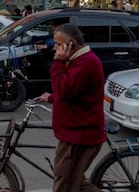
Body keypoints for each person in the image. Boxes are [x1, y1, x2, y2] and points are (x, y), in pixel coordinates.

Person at [37, 24, 105, 192]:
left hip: (79, 137)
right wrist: (51, 98)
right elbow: (72, 91)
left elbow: (64, 89)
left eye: (59, 45)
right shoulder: (75, 60)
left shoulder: (85, 62)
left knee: (64, 184)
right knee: (75, 182)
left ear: (72, 44)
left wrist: (58, 62)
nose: (56, 49)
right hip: (72, 133)